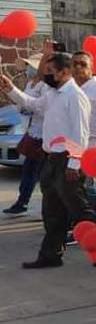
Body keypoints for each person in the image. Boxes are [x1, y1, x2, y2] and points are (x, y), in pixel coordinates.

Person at [0, 52, 96, 268]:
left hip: (67, 158)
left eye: (50, 72)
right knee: (52, 209)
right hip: (50, 157)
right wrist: (11, 88)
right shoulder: (52, 92)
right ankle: (51, 254)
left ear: (64, 72)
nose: (46, 76)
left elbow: (81, 133)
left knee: (78, 208)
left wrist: (74, 163)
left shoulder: (75, 96)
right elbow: (34, 104)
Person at [4, 54, 47, 215]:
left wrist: (27, 107)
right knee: (29, 171)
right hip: (32, 132)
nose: (28, 69)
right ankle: (22, 202)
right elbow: (25, 102)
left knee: (43, 175)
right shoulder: (30, 83)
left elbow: (37, 106)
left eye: (31, 65)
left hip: (43, 135)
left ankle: (46, 207)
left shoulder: (45, 86)